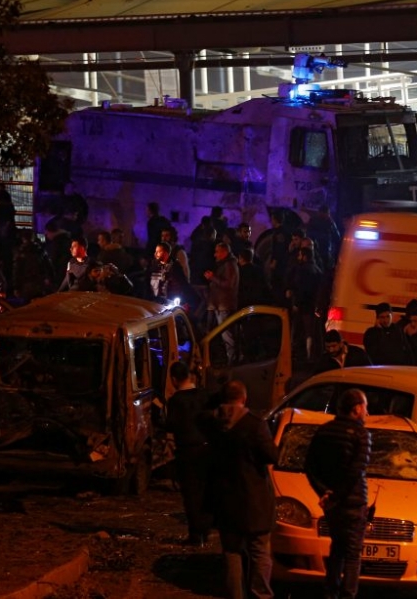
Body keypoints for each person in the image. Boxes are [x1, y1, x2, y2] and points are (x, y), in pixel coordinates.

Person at [200, 379, 278, 599]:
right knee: (260, 551)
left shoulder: (211, 423)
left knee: (232, 552)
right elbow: (272, 456)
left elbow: (201, 418)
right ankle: (260, 594)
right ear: (244, 398)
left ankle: (235, 595)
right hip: (255, 500)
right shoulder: (254, 425)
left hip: (225, 499)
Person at [304, 388, 371, 599]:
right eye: (365, 408)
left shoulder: (324, 431)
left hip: (332, 506)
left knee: (337, 550)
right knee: (352, 554)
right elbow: (355, 472)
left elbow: (310, 465)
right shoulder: (361, 435)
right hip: (352, 503)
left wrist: (324, 492)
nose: (367, 413)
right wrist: (335, 496)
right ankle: (347, 595)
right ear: (357, 408)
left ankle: (330, 592)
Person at [165, 362, 212, 547]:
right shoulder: (203, 395)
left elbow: (171, 425)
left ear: (174, 379)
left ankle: (195, 534)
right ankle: (206, 530)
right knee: (206, 491)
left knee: (191, 494)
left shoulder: (176, 401)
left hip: (187, 451)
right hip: (206, 448)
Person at [204, 242, 239, 360]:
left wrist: (212, 277)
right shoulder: (223, 265)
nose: (215, 255)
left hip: (224, 305)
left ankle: (232, 358)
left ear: (225, 252)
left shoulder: (229, 265)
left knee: (226, 333)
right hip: (218, 304)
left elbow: (229, 284)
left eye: (217, 252)